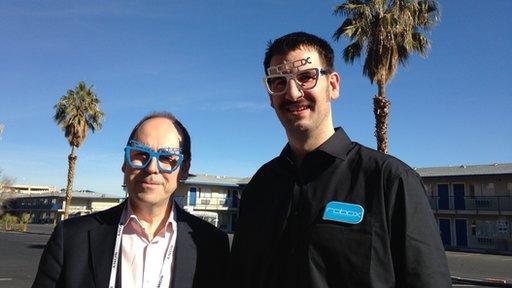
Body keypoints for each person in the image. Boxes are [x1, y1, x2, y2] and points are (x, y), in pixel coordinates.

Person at [230, 32, 451, 288]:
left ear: (333, 85)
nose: (292, 93)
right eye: (278, 81)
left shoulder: (388, 180)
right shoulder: (260, 186)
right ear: (270, 97)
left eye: (306, 77)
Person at [33, 112, 229, 288]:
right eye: (140, 154)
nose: (152, 167)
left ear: (184, 169)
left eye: (167, 157)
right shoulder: (71, 238)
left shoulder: (212, 246)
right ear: (124, 163)